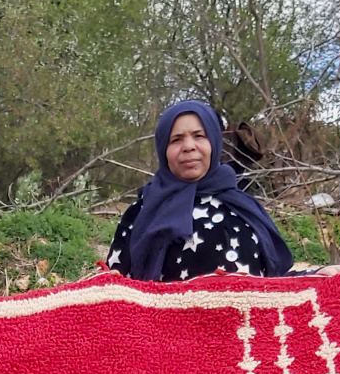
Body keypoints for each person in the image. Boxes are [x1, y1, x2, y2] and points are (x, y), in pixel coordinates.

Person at [106, 100, 294, 282]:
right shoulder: (142, 212)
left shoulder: (245, 207)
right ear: (163, 149)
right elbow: (114, 286)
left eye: (199, 136)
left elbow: (277, 277)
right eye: (176, 139)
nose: (189, 146)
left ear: (214, 142)